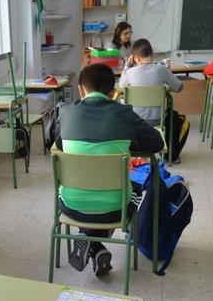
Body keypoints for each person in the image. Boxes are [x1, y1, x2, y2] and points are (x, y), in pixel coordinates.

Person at [56, 64, 164, 276]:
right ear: (114, 92)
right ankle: (92, 242)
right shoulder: (124, 114)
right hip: (115, 210)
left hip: (70, 205)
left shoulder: (66, 113)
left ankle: (90, 241)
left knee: (91, 188)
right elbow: (156, 144)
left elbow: (60, 145)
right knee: (134, 189)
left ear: (80, 89)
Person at [118, 38, 187, 162]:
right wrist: (166, 88)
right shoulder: (161, 69)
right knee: (174, 116)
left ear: (135, 58)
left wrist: (127, 66)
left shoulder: (130, 72)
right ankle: (171, 156)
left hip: (136, 120)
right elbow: (180, 87)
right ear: (152, 53)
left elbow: (121, 86)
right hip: (157, 119)